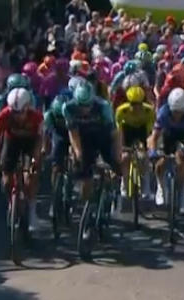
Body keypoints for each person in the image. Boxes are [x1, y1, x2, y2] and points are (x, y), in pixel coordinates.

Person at [0, 87, 45, 231]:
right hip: (12, 141)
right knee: (7, 180)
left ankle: (32, 212)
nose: (17, 117)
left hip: (31, 142)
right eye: (14, 113)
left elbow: (40, 141)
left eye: (20, 113)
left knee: (30, 178)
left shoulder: (37, 117)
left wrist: (35, 159)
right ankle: (12, 202)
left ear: (27, 107)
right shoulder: (4, 115)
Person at [62, 82, 120, 216]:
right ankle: (87, 208)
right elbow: (73, 133)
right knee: (84, 174)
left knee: (113, 164)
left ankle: (111, 193)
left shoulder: (103, 107)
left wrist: (116, 156)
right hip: (83, 138)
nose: (84, 110)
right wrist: (78, 154)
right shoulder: (68, 108)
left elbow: (114, 134)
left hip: (103, 136)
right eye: (80, 106)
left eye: (87, 105)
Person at [150, 88, 184, 214]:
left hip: (183, 136)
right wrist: (153, 151)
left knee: (181, 160)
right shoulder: (163, 112)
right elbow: (154, 137)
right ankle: (161, 187)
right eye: (174, 112)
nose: (177, 116)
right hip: (168, 136)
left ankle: (183, 196)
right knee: (160, 163)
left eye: (179, 112)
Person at [114, 86, 156, 203]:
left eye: (138, 104)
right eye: (132, 103)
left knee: (143, 157)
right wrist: (120, 148)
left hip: (142, 131)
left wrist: (147, 148)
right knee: (125, 157)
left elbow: (149, 133)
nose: (135, 107)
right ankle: (124, 183)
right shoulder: (121, 111)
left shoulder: (149, 111)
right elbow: (119, 132)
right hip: (127, 131)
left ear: (143, 102)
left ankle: (146, 185)